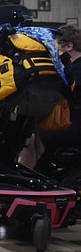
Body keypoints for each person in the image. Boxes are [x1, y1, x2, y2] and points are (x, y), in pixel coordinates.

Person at [38, 24, 81, 164]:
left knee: (35, 138)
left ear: (69, 46)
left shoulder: (74, 71)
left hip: (73, 126)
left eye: (56, 46)